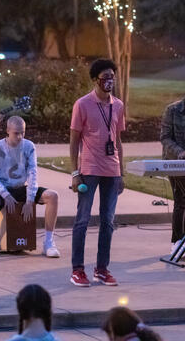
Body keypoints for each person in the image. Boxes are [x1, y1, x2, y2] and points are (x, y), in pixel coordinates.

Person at [70, 58, 125, 287]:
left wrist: (121, 172)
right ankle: (77, 270)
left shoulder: (118, 105)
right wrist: (75, 173)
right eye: (105, 78)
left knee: (108, 222)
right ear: (95, 80)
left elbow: (118, 139)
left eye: (112, 77)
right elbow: (74, 142)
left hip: (112, 170)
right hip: (90, 169)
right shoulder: (82, 104)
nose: (109, 81)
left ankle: (102, 269)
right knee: (82, 220)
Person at [0, 116, 60, 257]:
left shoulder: (29, 146)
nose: (20, 137)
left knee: (53, 196)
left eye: (22, 133)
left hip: (22, 188)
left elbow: (32, 173)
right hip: (3, 189)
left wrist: (30, 200)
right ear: (7, 131)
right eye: (16, 133)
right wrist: (6, 195)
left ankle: (48, 242)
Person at [161, 98, 185, 254]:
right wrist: (180, 152)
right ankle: (177, 241)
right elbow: (165, 138)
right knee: (181, 199)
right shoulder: (173, 110)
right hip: (175, 161)